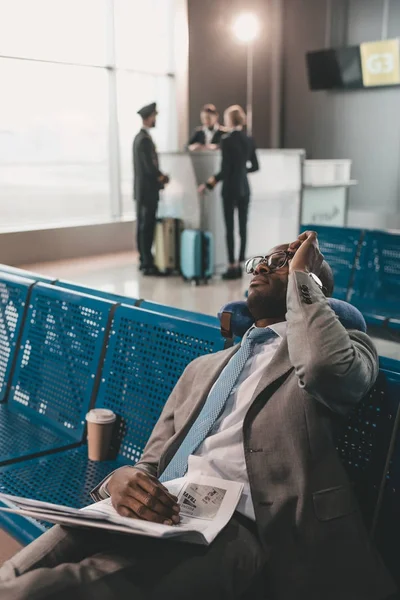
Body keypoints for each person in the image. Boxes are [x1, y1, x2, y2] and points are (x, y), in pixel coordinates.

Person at [0, 231, 396, 600]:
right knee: (16, 573)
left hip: (242, 528)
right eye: (261, 261)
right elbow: (152, 460)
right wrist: (119, 481)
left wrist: (302, 276)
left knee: (55, 590)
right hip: (162, 503)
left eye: (280, 263)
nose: (259, 267)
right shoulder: (203, 367)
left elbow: (327, 368)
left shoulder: (336, 350)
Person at [198, 105, 259, 281]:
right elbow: (255, 166)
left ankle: (231, 265)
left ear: (230, 120)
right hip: (245, 189)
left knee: (230, 228)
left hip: (230, 189)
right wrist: (241, 171)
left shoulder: (226, 140)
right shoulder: (249, 140)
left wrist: (208, 185)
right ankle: (241, 265)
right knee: (242, 228)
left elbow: (224, 171)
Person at [133, 102, 169, 276]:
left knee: (142, 226)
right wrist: (163, 178)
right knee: (146, 227)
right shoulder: (145, 140)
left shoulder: (139, 138)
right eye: (154, 117)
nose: (155, 120)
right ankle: (148, 263)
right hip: (148, 191)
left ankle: (144, 260)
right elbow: (150, 168)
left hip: (141, 191)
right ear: (148, 118)